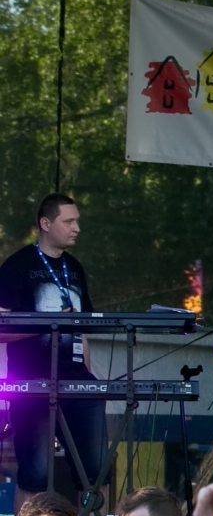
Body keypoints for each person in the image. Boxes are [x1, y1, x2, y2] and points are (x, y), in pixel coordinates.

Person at [0, 194, 106, 498]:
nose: (77, 228)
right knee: (34, 479)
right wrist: (49, 324)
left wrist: (87, 375)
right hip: (32, 385)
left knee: (96, 479)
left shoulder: (74, 267)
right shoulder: (17, 266)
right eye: (69, 221)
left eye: (77, 221)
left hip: (77, 386)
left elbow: (80, 328)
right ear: (45, 224)